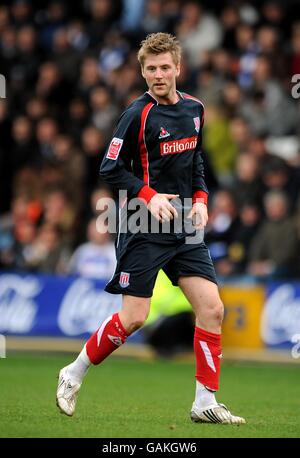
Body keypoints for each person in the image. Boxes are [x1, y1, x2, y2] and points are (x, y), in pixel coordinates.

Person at [56, 33, 245, 425]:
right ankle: (73, 373)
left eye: (164, 67)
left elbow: (196, 165)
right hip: (142, 226)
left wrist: (202, 201)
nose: (158, 75)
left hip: (184, 228)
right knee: (135, 317)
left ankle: (204, 401)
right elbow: (108, 167)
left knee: (212, 309)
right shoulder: (135, 115)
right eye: (150, 69)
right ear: (142, 72)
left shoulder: (196, 109)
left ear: (178, 67)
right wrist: (148, 194)